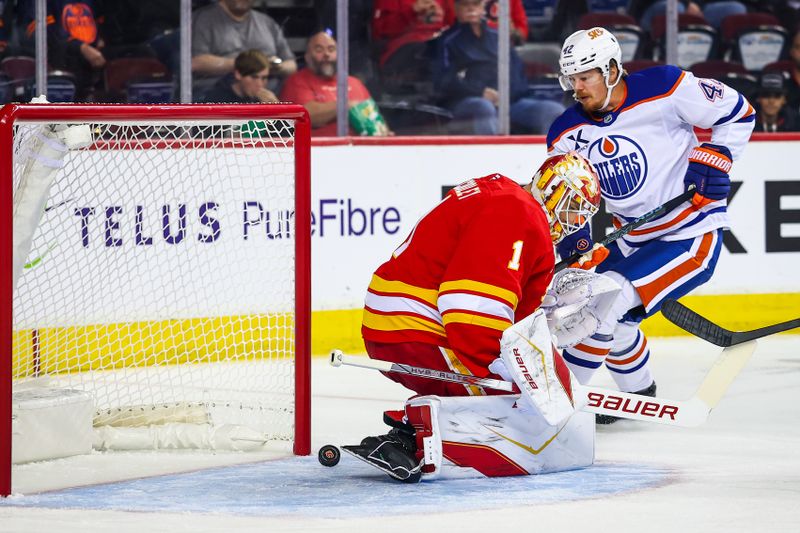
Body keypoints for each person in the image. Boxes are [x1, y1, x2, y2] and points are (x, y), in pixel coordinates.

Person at [347, 152, 602, 482]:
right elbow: (469, 307)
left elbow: (489, 288)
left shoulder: (507, 197)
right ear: (551, 187)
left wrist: (544, 313)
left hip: (405, 318)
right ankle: (413, 438)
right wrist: (507, 367)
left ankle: (417, 429)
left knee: (516, 392)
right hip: (416, 323)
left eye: (581, 214)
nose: (573, 220)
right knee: (517, 402)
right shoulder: (518, 211)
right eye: (571, 205)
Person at [546, 27, 754, 423]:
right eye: (570, 79)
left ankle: (555, 413)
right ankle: (640, 392)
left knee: (601, 306)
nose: (577, 88)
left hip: (690, 232)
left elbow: (737, 111)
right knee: (603, 313)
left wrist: (716, 155)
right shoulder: (565, 130)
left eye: (585, 76)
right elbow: (569, 196)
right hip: (633, 237)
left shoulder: (665, 86)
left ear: (611, 70)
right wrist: (574, 242)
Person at [431, 0, 565, 135]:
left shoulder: (498, 36)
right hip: (467, 101)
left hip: (509, 102)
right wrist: (480, 92)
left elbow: (517, 72)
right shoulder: (447, 41)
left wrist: (506, 95)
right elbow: (444, 81)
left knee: (553, 110)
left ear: (483, 7)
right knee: (484, 107)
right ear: (456, 8)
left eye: (475, 4)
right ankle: (492, 154)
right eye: (465, 5)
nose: (471, 9)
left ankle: (554, 154)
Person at [280, 30, 389, 137]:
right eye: (319, 50)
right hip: (319, 151)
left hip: (362, 150)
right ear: (307, 57)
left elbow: (375, 118)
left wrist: (385, 133)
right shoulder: (297, 81)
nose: (326, 54)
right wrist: (346, 106)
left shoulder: (355, 83)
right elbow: (305, 115)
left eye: (331, 49)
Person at [191, 0, 297, 99]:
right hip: (216, 97)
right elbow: (196, 62)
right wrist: (247, 64)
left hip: (269, 95)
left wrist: (276, 65)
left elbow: (292, 66)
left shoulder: (267, 22)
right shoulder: (203, 19)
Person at [20, 0, 107, 100]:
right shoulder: (42, 3)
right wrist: (81, 47)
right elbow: (43, 30)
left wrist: (101, 38)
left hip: (92, 69)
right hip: (60, 65)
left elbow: (102, 20)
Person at [201, 49, 278, 103]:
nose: (260, 84)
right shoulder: (216, 100)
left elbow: (281, 126)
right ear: (238, 74)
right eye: (254, 77)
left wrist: (275, 108)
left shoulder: (264, 100)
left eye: (264, 78)